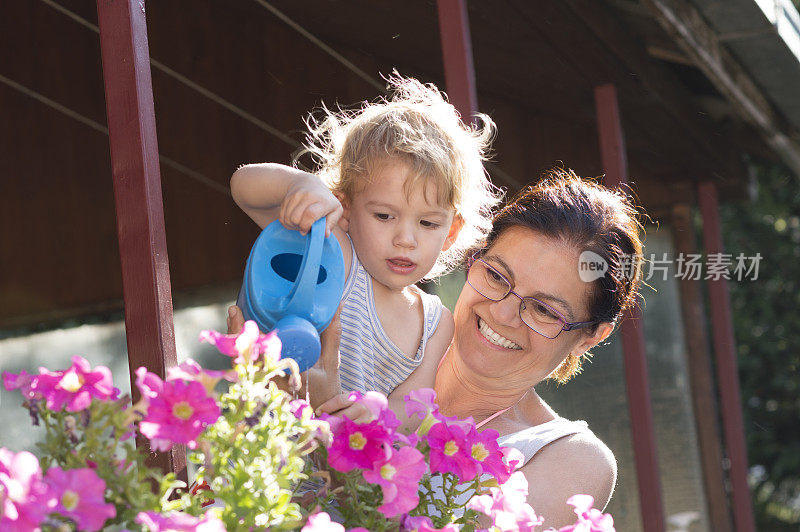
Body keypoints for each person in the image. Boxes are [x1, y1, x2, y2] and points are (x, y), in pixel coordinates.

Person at [305, 168, 645, 528]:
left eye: (544, 310)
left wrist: (332, 433)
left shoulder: (569, 458)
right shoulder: (376, 334)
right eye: (496, 276)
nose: (501, 313)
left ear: (590, 337)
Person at [229, 75, 501, 407]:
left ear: (452, 232)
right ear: (344, 209)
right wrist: (298, 186)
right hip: (266, 451)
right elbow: (243, 188)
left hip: (344, 455)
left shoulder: (436, 325)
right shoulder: (333, 252)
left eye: (428, 223)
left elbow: (412, 408)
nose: (405, 239)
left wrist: (380, 411)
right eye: (384, 216)